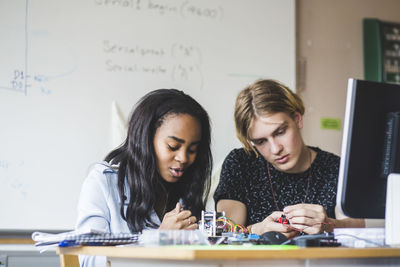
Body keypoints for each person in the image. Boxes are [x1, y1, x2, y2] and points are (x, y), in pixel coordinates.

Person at [76, 89, 212, 266]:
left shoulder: (186, 192)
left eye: (193, 150)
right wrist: (159, 240)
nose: (184, 158)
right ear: (146, 140)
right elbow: (89, 259)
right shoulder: (103, 182)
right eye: (172, 146)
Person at [214, 79, 364, 239]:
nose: (275, 149)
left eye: (280, 132)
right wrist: (257, 230)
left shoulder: (336, 168)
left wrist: (329, 225)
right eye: (261, 142)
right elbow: (222, 235)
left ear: (298, 119)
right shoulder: (240, 164)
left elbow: (359, 232)